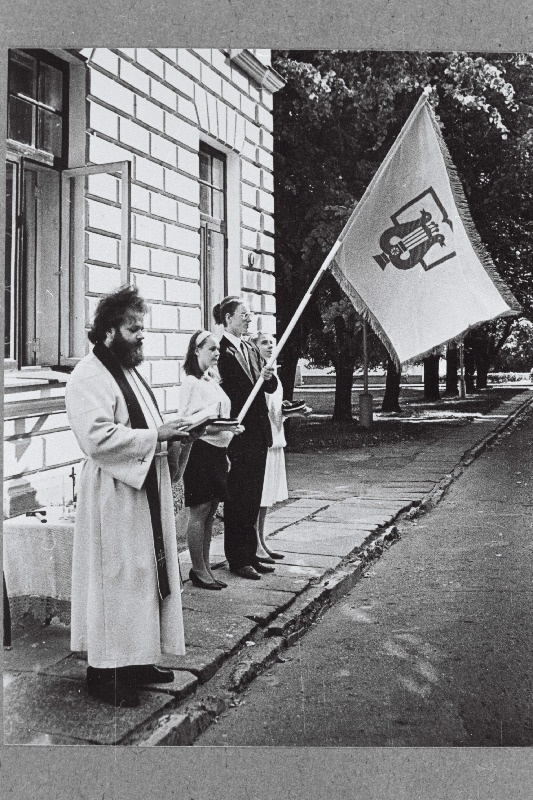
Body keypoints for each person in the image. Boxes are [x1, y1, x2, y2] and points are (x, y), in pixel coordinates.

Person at [65, 285, 193, 708]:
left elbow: (150, 424)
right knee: (115, 580)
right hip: (113, 494)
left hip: (142, 490)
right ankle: (104, 671)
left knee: (143, 578)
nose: (141, 336)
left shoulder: (129, 371)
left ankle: (137, 659)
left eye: (143, 328)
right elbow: (97, 437)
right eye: (133, 328)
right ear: (108, 331)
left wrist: (179, 435)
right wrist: (158, 434)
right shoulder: (88, 375)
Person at [214, 296, 277, 580]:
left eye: (249, 314)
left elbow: (270, 386)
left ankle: (251, 553)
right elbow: (230, 393)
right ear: (228, 318)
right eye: (244, 314)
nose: (249, 318)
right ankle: (237, 559)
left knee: (252, 496)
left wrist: (268, 374)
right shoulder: (221, 351)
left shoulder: (250, 348)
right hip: (239, 433)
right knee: (238, 497)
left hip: (258, 432)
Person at [179, 330, 243, 590]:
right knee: (200, 510)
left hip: (217, 452)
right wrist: (223, 428)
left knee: (211, 512)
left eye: (218, 349)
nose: (217, 353)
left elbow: (217, 416)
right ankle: (197, 568)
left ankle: (204, 566)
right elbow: (188, 422)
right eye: (211, 349)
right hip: (199, 452)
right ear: (196, 350)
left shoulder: (211, 381)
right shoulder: (191, 383)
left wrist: (228, 432)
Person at [250, 332, 288, 563]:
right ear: (254, 347)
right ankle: (254, 543)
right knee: (259, 495)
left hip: (276, 438)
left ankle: (261, 539)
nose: (269, 346)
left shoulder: (274, 374)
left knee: (267, 497)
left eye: (272, 343)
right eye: (264, 342)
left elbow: (275, 408)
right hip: (263, 439)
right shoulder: (257, 373)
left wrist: (291, 411)